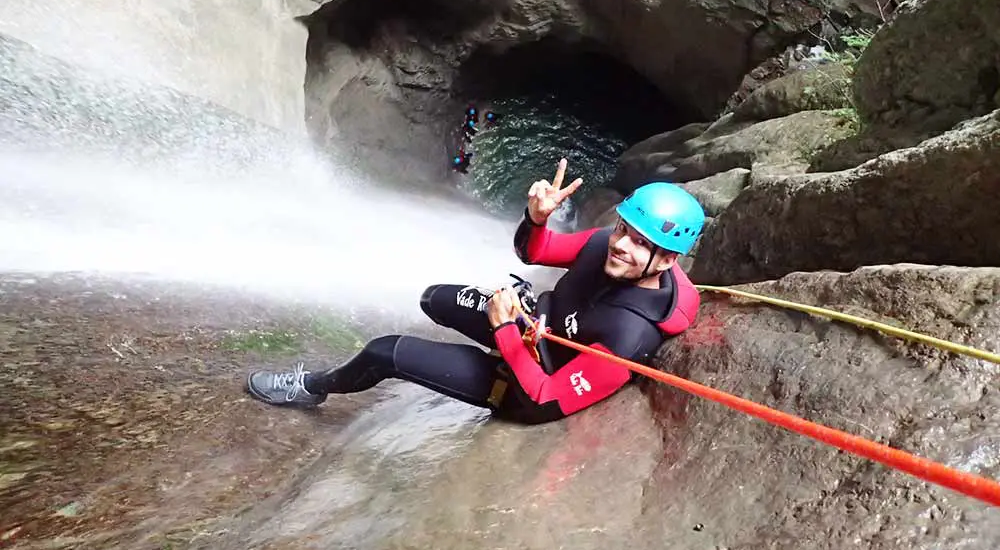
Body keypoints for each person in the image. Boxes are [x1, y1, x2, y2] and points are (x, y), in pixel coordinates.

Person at [246, 159, 705, 424]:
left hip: (522, 383)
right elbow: (535, 251)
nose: (621, 244)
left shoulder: (628, 340)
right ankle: (489, 330)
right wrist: (537, 218)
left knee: (384, 352)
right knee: (434, 298)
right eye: (625, 229)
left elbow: (548, 399)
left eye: (641, 243)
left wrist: (504, 332)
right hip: (528, 323)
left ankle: (311, 387)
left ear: (667, 260)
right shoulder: (601, 244)